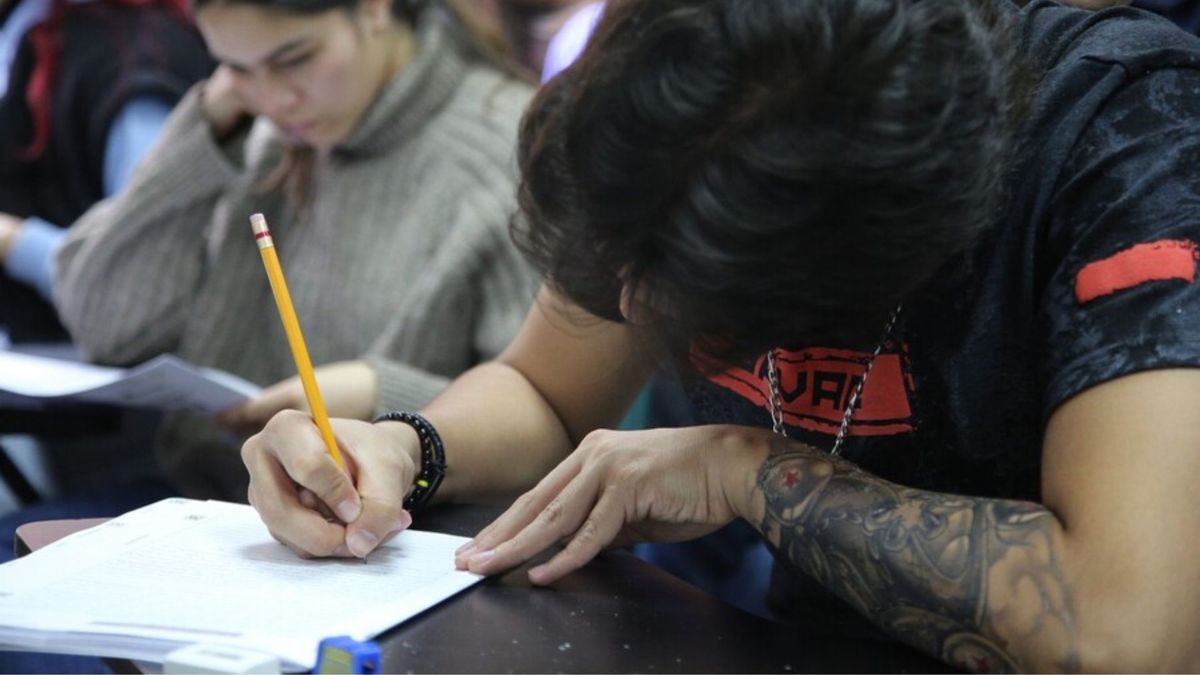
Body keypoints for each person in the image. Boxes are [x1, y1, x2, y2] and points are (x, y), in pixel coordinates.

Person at [241, 0, 1200, 671]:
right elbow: (544, 389)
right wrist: (403, 448)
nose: (638, 324)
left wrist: (753, 473)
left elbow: (1127, 630)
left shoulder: (1125, 138)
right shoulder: (686, 86)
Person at [52, 0, 537, 503]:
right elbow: (102, 326)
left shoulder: (505, 152)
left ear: (374, 9)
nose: (273, 100)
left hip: (402, 528)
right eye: (237, 67)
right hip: (212, 502)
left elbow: (549, 417)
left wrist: (379, 392)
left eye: (294, 60)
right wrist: (202, 130)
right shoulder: (258, 131)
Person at [0, 0, 212, 345]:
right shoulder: (32, 24)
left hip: (84, 357)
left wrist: (12, 241)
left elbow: (140, 281)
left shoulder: (132, 54)